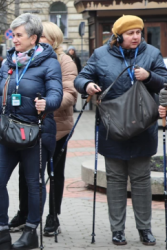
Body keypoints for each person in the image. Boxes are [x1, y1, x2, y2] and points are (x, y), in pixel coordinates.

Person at [75, 15, 167, 246]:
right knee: (115, 181)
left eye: (138, 32)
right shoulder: (100, 55)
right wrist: (87, 86)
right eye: (130, 33)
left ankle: (145, 229)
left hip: (142, 127)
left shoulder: (152, 54)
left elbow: (165, 82)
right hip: (112, 127)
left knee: (141, 180)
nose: (136, 36)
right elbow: (81, 78)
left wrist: (149, 77)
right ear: (118, 36)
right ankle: (117, 230)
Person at [0, 13, 63, 249]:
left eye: (19, 35)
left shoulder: (49, 62)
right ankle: (1, 231)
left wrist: (48, 103)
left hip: (36, 133)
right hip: (7, 131)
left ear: (33, 38)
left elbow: (56, 93)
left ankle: (31, 230)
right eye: (13, 34)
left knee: (34, 183)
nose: (14, 39)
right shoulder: (8, 61)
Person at [10, 21, 77, 237]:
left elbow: (70, 93)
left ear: (53, 40)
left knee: (54, 173)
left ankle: (53, 216)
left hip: (57, 128)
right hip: (29, 127)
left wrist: (49, 102)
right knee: (26, 173)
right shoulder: (26, 59)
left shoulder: (64, 61)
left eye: (42, 36)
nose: (37, 39)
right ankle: (24, 213)